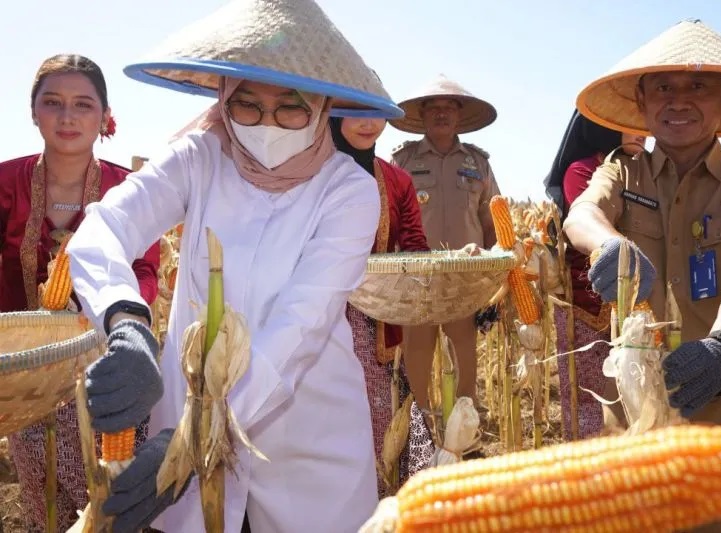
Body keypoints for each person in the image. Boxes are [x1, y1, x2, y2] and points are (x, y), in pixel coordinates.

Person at [65, 0, 405, 531]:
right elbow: (102, 230)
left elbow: (300, 327)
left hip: (308, 457)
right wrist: (125, 320)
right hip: (184, 453)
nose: (267, 124)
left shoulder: (349, 189)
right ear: (223, 99)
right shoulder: (199, 159)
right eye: (246, 105)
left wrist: (192, 439)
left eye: (290, 107)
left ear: (321, 106)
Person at [563, 19, 721, 530]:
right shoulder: (622, 172)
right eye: (664, 88)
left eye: (699, 86)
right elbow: (580, 216)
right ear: (642, 102)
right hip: (637, 402)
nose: (679, 101)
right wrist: (612, 245)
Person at [1, 54, 160, 533]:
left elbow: (146, 270)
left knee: (111, 495)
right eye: (52, 103)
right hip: (30, 370)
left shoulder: (128, 189)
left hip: (110, 361)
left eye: (82, 105)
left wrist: (116, 314)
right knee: (43, 495)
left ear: (104, 116)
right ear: (33, 112)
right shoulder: (5, 183)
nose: (67, 117)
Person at [330, 115, 435, 495]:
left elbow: (415, 247)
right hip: (315, 324)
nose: (367, 123)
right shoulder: (305, 172)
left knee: (379, 427)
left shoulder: (397, 180)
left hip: (375, 326)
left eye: (376, 111)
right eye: (355, 111)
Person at [389, 75, 501, 413]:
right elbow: (390, 220)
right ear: (421, 116)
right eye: (433, 108)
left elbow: (492, 220)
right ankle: (419, 441)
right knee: (416, 363)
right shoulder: (403, 161)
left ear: (459, 115)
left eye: (449, 108)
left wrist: (495, 276)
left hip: (464, 281)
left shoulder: (478, 163)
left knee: (464, 360)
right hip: (417, 279)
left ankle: (464, 442)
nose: (441, 114)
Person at [543, 109, 645, 440]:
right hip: (585, 302)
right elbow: (591, 225)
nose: (641, 133)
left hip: (635, 303)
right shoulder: (581, 170)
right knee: (588, 396)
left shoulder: (646, 170)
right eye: (630, 125)